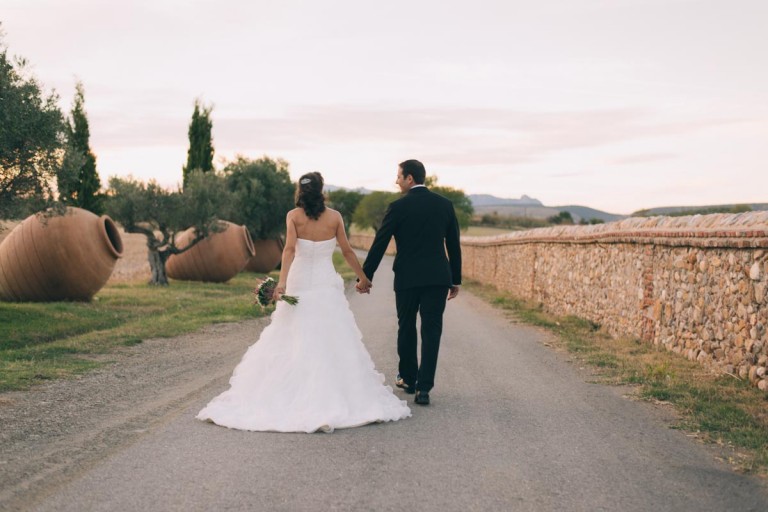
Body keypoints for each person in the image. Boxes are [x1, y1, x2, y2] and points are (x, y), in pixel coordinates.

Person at [197, 172, 411, 432]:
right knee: (329, 336)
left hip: (299, 281)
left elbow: (288, 250)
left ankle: (287, 393)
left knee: (291, 334)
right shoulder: (334, 217)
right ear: (322, 190)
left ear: (300, 191)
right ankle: (333, 393)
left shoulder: (293, 216)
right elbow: (346, 250)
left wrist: (283, 282)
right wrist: (363, 277)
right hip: (324, 283)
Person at [359, 160, 462, 406]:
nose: (396, 181)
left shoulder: (398, 207)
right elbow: (453, 245)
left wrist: (366, 276)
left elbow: (380, 242)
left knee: (406, 326)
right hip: (438, 278)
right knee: (432, 330)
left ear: (410, 178)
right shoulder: (445, 205)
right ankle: (424, 389)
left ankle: (408, 378)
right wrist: (455, 279)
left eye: (398, 176)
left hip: (407, 278)